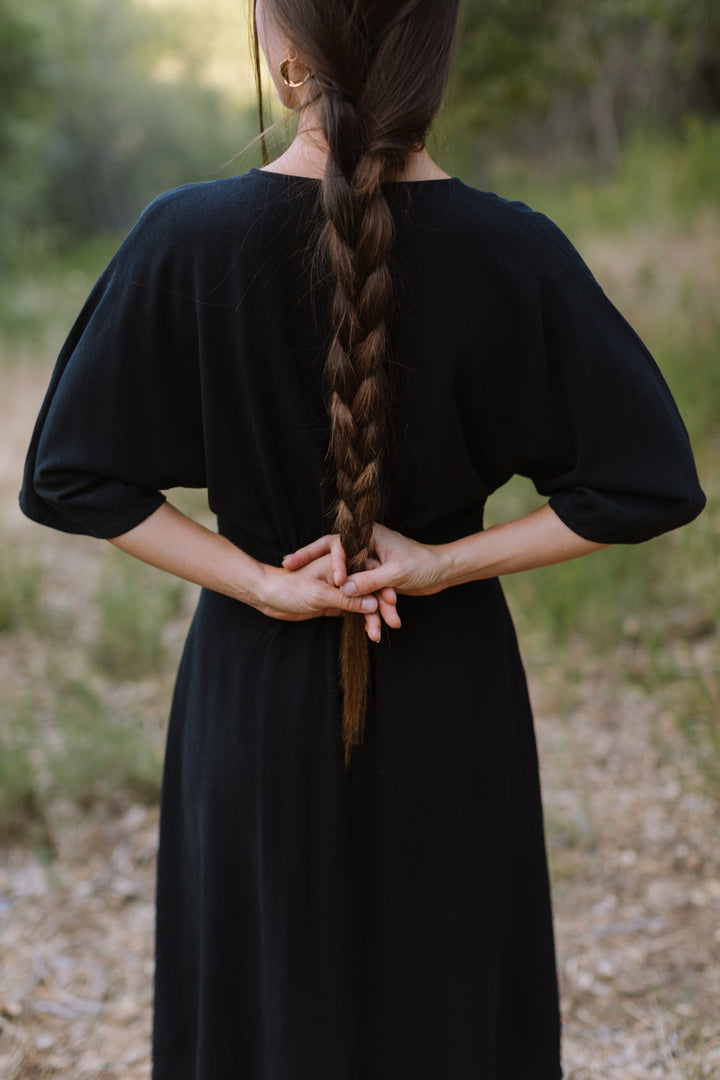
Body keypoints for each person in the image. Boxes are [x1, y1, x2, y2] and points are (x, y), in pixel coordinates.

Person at [19, 0, 706, 1077]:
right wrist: (437, 564)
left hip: (254, 697)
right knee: (448, 1007)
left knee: (261, 1014)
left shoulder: (181, 237)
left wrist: (261, 582)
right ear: (438, 52)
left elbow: (69, 476)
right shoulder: (515, 250)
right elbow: (647, 481)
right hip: (449, 687)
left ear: (283, 53)